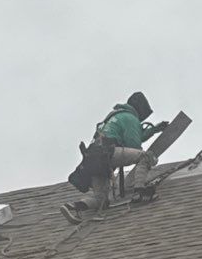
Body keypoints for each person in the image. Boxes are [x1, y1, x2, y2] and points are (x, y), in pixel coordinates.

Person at [64, 92, 168, 220]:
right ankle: (140, 191)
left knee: (102, 200)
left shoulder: (114, 117)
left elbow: (135, 136)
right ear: (140, 109)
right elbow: (133, 145)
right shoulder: (130, 117)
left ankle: (77, 206)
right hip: (108, 154)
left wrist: (153, 130)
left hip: (93, 161)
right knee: (145, 156)